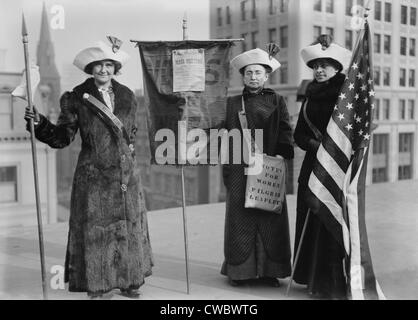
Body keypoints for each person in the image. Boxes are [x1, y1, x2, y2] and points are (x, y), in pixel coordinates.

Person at [24, 38, 153, 298]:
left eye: (108, 65)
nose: (104, 70)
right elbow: (63, 136)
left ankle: (130, 280)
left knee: (129, 227)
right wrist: (39, 123)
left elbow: (131, 133)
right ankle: (98, 284)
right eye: (98, 65)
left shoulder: (128, 95)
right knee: (97, 232)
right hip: (93, 176)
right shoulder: (75, 98)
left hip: (126, 175)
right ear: (90, 68)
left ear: (115, 67)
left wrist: (130, 159)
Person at [221, 46, 294, 287]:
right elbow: (216, 131)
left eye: (258, 73)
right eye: (249, 73)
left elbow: (285, 129)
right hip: (239, 170)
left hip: (268, 168)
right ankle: (240, 272)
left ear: (266, 76)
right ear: (242, 76)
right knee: (240, 219)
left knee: (269, 219)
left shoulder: (277, 100)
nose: (253, 77)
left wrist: (281, 156)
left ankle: (270, 271)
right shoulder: (231, 103)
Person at [293, 35, 352, 299]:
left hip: (336, 168)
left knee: (329, 222)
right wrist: (312, 144)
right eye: (316, 65)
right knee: (310, 216)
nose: (319, 70)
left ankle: (331, 283)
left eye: (325, 65)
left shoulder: (345, 97)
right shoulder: (309, 95)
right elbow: (298, 135)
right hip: (311, 165)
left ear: (337, 68)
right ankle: (311, 279)